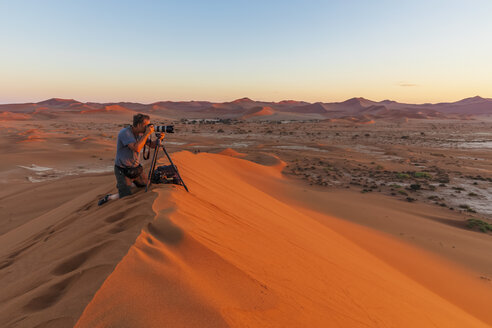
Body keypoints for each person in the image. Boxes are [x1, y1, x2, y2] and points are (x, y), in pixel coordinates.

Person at [98, 113, 165, 205]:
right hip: (123, 170)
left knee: (147, 184)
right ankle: (110, 197)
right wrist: (146, 134)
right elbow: (136, 148)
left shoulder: (141, 134)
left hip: (136, 169)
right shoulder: (125, 133)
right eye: (146, 125)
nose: (147, 128)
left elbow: (152, 145)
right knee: (126, 197)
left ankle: (131, 184)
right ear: (138, 125)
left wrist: (159, 140)